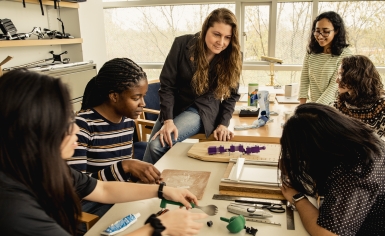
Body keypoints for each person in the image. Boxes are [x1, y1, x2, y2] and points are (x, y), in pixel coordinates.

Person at [0, 69, 207, 236]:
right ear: (32, 132)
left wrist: (162, 191)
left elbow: (103, 190)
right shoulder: (13, 209)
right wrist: (157, 228)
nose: (75, 129)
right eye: (63, 122)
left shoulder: (42, 167)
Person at [279, 103, 385, 236]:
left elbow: (328, 234)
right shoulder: (355, 137)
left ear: (317, 147)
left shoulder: (355, 171)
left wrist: (297, 198)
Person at [66, 58, 162, 223]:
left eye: (143, 96)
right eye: (136, 97)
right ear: (114, 96)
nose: (143, 104)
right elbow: (76, 187)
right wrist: (125, 166)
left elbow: (122, 174)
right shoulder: (82, 125)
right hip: (88, 205)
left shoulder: (127, 121)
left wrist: (137, 175)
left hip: (116, 194)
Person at [143, 8, 242, 164]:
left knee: (157, 145)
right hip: (174, 105)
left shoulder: (234, 55)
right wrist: (168, 120)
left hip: (202, 109)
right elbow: (167, 85)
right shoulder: (181, 44)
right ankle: (146, 184)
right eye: (217, 34)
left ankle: (151, 185)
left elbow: (231, 95)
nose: (221, 42)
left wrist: (223, 124)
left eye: (227, 37)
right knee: (152, 146)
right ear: (205, 29)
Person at [334, 55, 385, 156]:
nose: (337, 80)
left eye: (341, 75)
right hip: (351, 155)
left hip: (374, 157)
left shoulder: (380, 103)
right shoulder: (341, 101)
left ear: (355, 77)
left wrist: (383, 165)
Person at [299, 11, 352, 105]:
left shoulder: (345, 54)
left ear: (336, 31)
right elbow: (304, 78)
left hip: (333, 108)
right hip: (315, 106)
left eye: (326, 31)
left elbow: (334, 87)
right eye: (317, 31)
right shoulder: (311, 51)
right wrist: (301, 106)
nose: (320, 36)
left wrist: (315, 108)